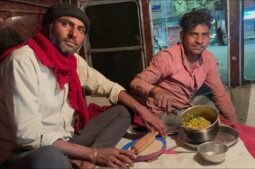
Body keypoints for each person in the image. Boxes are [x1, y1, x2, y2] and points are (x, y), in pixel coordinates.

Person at [0, 3, 166, 169]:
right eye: (66, 24)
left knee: (124, 110)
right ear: (49, 26)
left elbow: (109, 87)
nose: (73, 34)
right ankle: (91, 157)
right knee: (50, 158)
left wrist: (143, 111)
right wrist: (93, 154)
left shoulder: (72, 61)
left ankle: (88, 162)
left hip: (67, 137)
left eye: (81, 30)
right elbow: (29, 136)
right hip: (26, 151)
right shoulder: (21, 61)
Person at [130, 9, 238, 127]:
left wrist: (235, 125)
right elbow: (136, 82)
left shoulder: (209, 59)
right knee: (196, 125)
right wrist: (155, 91)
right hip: (163, 112)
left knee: (211, 110)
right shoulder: (167, 58)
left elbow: (220, 93)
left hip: (185, 106)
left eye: (205, 35)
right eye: (193, 34)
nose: (200, 41)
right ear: (182, 36)